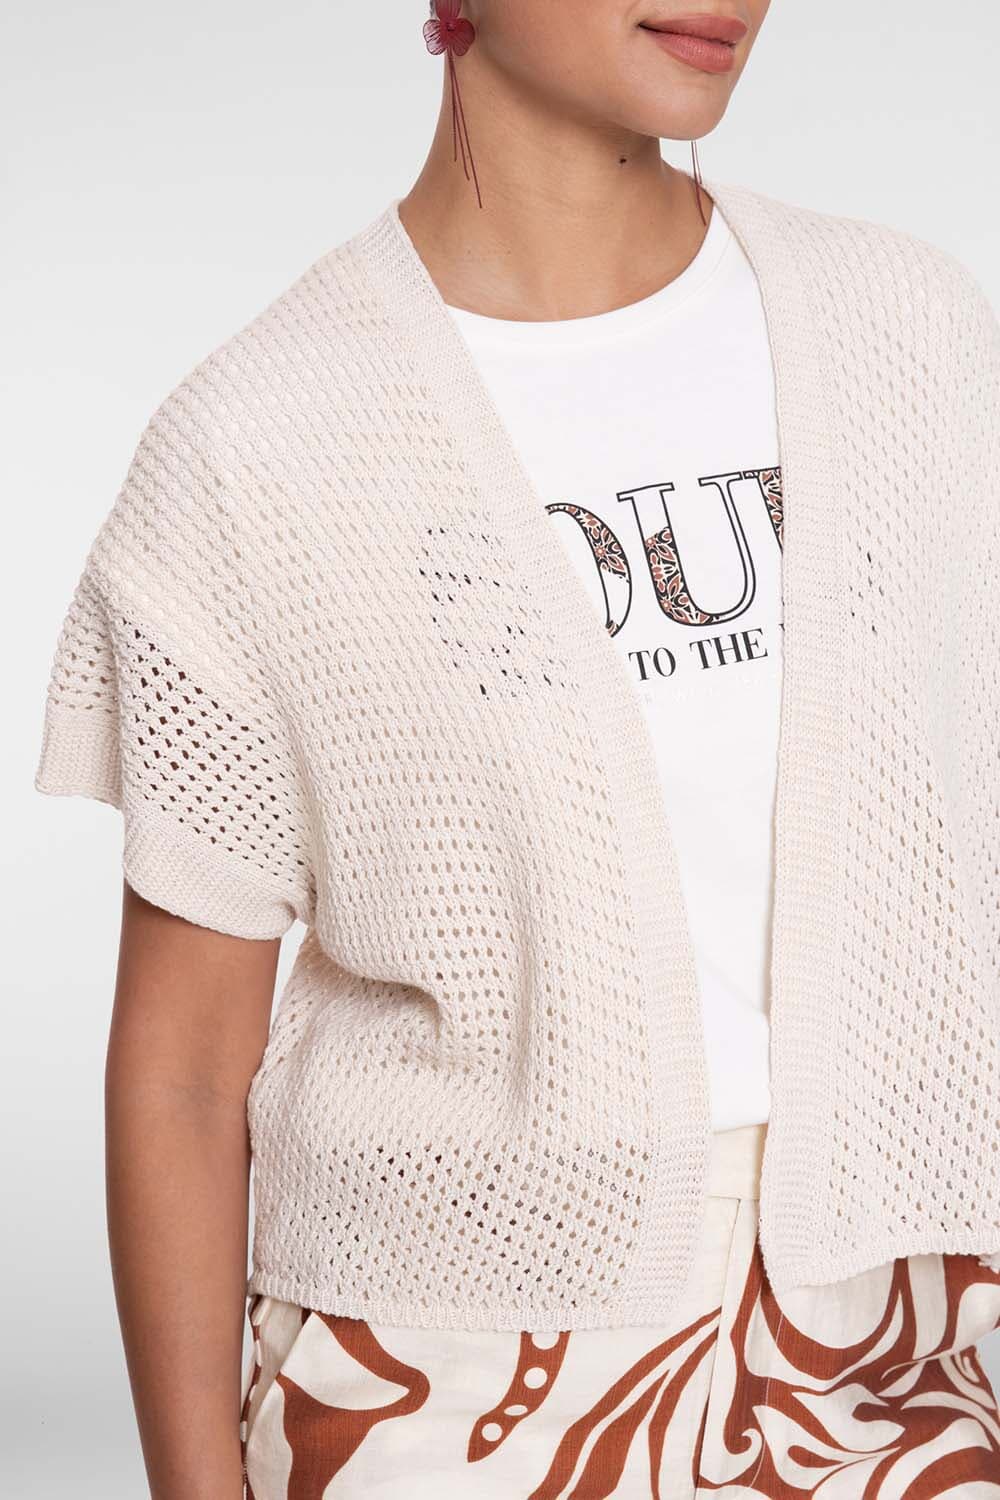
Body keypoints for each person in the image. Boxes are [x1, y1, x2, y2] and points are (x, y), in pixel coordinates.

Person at [35, 2, 1000, 1497]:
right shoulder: (255, 446)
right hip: (442, 1379)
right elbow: (183, 1068)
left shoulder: (914, 334)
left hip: (902, 1352)